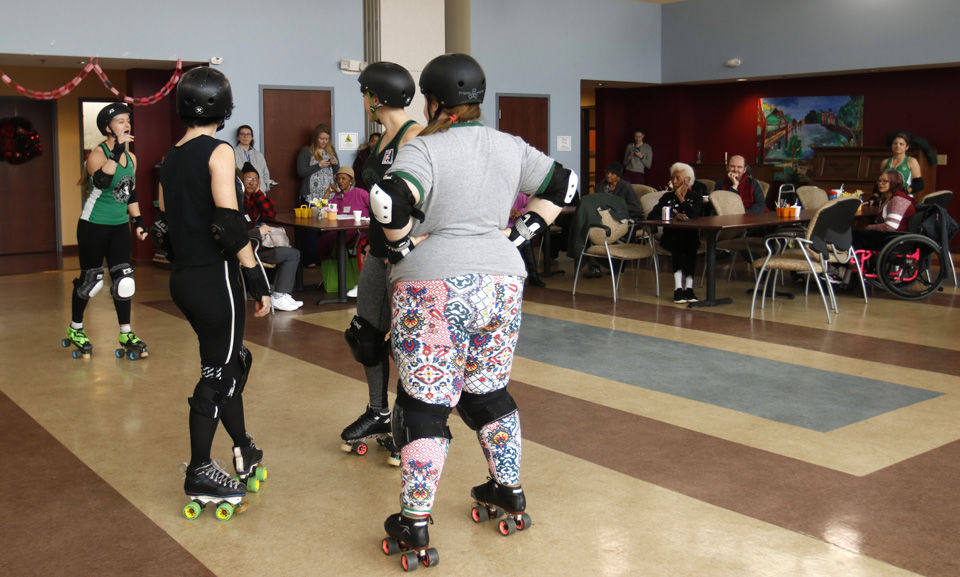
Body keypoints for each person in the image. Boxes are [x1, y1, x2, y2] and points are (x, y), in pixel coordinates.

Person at [371, 53, 575, 563]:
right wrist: (522, 234)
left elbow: (387, 203)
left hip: (433, 285)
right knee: (487, 393)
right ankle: (508, 490)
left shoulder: (426, 149)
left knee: (425, 402)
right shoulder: (511, 146)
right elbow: (565, 187)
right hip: (502, 280)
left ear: (434, 101)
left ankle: (415, 522)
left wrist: (400, 250)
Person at [154, 67, 271, 512]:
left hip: (184, 278)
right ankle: (199, 469)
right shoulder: (219, 151)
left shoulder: (172, 156)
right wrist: (258, 278)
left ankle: (243, 445)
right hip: (215, 278)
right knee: (219, 373)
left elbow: (163, 226)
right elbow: (227, 222)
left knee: (229, 361)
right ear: (223, 109)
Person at [340, 61, 421, 463]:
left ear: (377, 97)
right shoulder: (382, 140)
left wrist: (417, 242)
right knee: (366, 335)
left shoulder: (415, 136)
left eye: (366, 95)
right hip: (376, 252)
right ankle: (378, 412)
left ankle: (409, 426)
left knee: (406, 343)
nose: (366, 102)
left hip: (404, 258)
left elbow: (427, 199)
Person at [63, 102, 149, 359]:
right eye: (120, 121)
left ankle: (126, 332)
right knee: (91, 281)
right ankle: (76, 328)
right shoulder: (97, 155)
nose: (127, 125)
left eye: (127, 120)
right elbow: (102, 181)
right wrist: (116, 151)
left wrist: (139, 221)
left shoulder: (132, 157)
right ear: (107, 128)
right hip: (93, 225)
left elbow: (128, 190)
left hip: (119, 225)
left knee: (124, 280)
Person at [240, 162, 303, 311]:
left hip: (259, 244)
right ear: (241, 181)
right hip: (250, 247)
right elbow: (238, 231)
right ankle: (280, 295)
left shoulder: (256, 198)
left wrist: (258, 193)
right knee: (292, 254)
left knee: (290, 251)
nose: (251, 182)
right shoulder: (238, 201)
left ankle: (281, 292)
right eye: (248, 179)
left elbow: (270, 213)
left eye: (255, 180)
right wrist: (258, 232)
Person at [650, 162, 705, 303]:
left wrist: (681, 197)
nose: (674, 182)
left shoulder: (696, 197)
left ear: (688, 180)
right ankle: (678, 288)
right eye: (673, 178)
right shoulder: (666, 197)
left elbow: (693, 214)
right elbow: (652, 216)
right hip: (670, 236)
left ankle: (689, 288)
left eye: (678, 179)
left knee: (690, 244)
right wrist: (672, 217)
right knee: (679, 243)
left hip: (690, 236)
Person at [297, 124, 339, 267]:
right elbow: (300, 172)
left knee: (327, 229)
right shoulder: (306, 151)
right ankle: (310, 260)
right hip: (311, 197)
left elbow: (337, 172)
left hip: (327, 197)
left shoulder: (331, 151)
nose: (324, 142)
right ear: (316, 138)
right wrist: (318, 165)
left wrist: (334, 163)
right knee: (311, 229)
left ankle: (323, 259)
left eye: (326, 139)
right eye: (321, 138)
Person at [315, 166, 370, 268]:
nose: (340, 181)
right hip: (340, 230)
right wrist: (327, 193)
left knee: (333, 239)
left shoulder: (360, 193)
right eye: (338, 179)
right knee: (323, 240)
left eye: (343, 178)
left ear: (351, 180)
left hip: (358, 230)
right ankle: (332, 269)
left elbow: (374, 207)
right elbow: (320, 209)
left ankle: (338, 268)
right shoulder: (337, 196)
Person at [509, 192, 545, 287]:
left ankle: (533, 274)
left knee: (526, 242)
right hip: (502, 229)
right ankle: (529, 275)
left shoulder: (519, 195)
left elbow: (532, 207)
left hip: (519, 226)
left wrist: (520, 212)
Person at [234, 125, 276, 192]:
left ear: (251, 137)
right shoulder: (232, 153)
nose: (245, 136)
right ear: (238, 137)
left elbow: (265, 173)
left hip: (259, 191)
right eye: (242, 134)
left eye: (248, 134)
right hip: (243, 192)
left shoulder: (259, 155)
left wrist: (266, 186)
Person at [881, 132, 923, 196]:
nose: (898, 146)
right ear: (892, 146)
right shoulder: (885, 162)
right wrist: (874, 198)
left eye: (901, 144)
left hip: (903, 198)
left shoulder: (911, 161)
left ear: (907, 147)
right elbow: (879, 182)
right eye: (895, 143)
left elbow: (919, 184)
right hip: (886, 198)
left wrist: (904, 192)